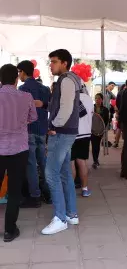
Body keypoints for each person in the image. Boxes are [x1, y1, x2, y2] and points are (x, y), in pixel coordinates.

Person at [42, 49, 81, 235]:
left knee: (51, 173)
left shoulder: (65, 80)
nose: (51, 65)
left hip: (62, 133)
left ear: (65, 63)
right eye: (50, 61)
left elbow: (66, 108)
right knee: (64, 173)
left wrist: (54, 126)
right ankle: (71, 214)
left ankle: (60, 217)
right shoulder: (72, 79)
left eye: (54, 61)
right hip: (67, 132)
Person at [0, 64, 37, 242]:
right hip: (19, 149)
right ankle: (9, 230)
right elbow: (33, 118)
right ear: (16, 79)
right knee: (15, 191)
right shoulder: (26, 96)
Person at [17, 60, 51, 208]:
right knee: (43, 162)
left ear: (23, 72)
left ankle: (35, 196)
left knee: (31, 164)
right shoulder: (45, 89)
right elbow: (49, 107)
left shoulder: (22, 89)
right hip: (42, 130)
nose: (19, 75)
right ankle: (48, 194)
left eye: (19, 72)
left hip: (29, 130)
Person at [70, 83, 94, 197]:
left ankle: (70, 191)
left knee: (71, 163)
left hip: (72, 134)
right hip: (86, 134)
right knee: (82, 162)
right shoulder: (89, 99)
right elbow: (91, 115)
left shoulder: (70, 97)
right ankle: (85, 189)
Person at [91, 93, 110, 169]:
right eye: (96, 98)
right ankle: (95, 160)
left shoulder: (105, 109)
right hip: (92, 130)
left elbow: (106, 121)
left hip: (100, 131)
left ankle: (96, 160)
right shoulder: (91, 108)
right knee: (93, 145)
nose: (97, 100)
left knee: (97, 145)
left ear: (102, 100)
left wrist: (102, 129)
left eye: (99, 98)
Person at [113, 79, 127, 148]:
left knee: (119, 128)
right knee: (125, 129)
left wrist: (117, 112)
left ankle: (116, 142)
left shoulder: (120, 92)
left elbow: (117, 103)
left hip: (121, 113)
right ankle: (126, 144)